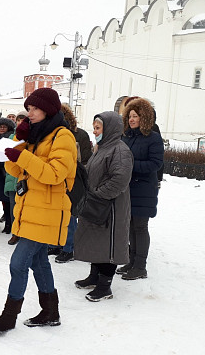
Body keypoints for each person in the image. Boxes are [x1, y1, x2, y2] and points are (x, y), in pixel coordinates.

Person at [0, 87, 77, 334]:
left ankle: (9, 316)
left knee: (18, 263)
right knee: (39, 263)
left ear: (48, 109)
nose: (30, 113)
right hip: (31, 209)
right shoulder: (37, 136)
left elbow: (55, 175)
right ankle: (50, 311)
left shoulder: (63, 137)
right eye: (28, 109)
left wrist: (22, 156)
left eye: (34, 108)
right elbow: (17, 172)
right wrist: (18, 147)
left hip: (48, 211)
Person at [74, 112, 133, 301]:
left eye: (98, 128)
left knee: (109, 245)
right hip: (97, 204)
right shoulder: (101, 148)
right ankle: (94, 277)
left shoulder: (120, 150)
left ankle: (104, 286)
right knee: (95, 241)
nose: (94, 131)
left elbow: (119, 180)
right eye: (94, 127)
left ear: (109, 129)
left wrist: (99, 194)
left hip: (111, 207)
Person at [119, 97, 164, 280]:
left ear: (143, 117)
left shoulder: (153, 138)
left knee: (140, 226)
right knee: (129, 225)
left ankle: (140, 266)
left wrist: (131, 165)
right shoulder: (127, 136)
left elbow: (156, 163)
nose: (131, 119)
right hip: (128, 188)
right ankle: (132, 261)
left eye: (135, 116)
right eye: (129, 116)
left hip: (144, 189)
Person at [50, 103, 93, 263]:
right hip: (55, 178)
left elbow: (86, 158)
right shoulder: (50, 134)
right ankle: (56, 244)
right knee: (56, 214)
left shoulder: (79, 134)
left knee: (70, 216)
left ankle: (69, 248)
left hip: (72, 179)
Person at [3, 111, 28, 245]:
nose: (20, 122)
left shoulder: (31, 138)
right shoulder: (11, 138)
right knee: (14, 208)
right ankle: (15, 233)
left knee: (26, 210)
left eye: (23, 120)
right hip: (12, 179)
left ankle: (25, 234)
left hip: (25, 179)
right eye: (18, 120)